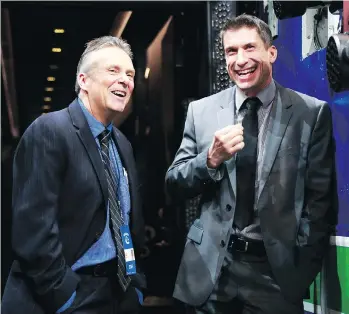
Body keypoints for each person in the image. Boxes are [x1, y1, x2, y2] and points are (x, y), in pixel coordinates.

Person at [165, 14, 337, 314]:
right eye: (231, 51)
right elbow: (175, 184)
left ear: (271, 52)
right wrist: (210, 160)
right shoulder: (201, 111)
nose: (240, 60)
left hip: (275, 277)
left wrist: (300, 273)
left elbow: (320, 203)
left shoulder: (311, 113)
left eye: (249, 48)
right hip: (211, 273)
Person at [2, 36, 146, 314]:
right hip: (66, 296)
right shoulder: (50, 130)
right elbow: (33, 229)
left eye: (130, 74)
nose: (125, 80)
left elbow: (128, 222)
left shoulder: (121, 143)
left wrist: (135, 284)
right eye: (113, 71)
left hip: (117, 292)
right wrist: (64, 295)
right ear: (83, 80)